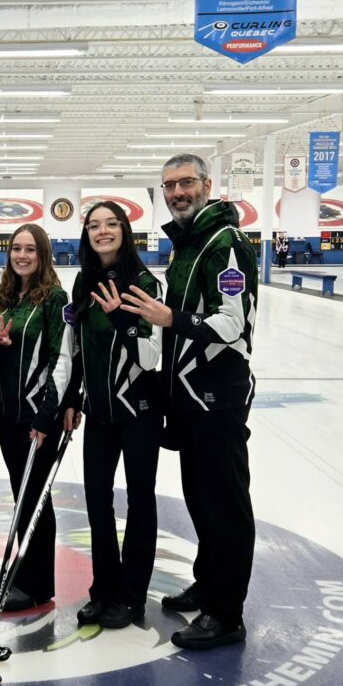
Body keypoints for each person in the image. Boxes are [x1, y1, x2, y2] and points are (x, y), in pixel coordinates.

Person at [119, 153, 258, 650]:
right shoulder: (189, 243)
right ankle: (210, 583)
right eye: (169, 185)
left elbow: (232, 323)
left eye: (185, 183)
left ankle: (226, 613)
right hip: (189, 400)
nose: (177, 192)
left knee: (224, 504)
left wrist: (167, 317)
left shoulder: (226, 244)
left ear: (206, 185)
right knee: (201, 501)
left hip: (217, 399)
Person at [63, 202, 162, 629]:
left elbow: (151, 357)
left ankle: (132, 595)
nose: (102, 231)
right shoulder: (82, 282)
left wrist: (122, 318)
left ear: (125, 230)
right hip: (99, 414)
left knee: (140, 501)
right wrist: (71, 398)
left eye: (111, 224)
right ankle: (103, 589)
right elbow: (76, 350)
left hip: (138, 412)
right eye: (94, 225)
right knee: (97, 502)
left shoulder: (144, 283)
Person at [0, 223, 73, 611]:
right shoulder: (0, 298)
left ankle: (36, 584)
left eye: (30, 249)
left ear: (42, 254)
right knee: (22, 495)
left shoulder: (54, 298)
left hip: (37, 416)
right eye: (16, 248)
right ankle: (24, 571)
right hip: (7, 414)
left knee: (35, 500)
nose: (22, 255)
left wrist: (47, 415)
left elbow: (61, 358)